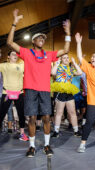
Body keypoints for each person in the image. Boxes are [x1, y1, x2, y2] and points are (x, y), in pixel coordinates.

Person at [7, 9, 71, 157]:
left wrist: (68, 33)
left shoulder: (49, 55)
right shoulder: (27, 53)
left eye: (43, 37)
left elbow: (66, 50)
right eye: (39, 37)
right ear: (33, 41)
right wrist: (14, 23)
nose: (42, 38)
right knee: (32, 119)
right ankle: (32, 147)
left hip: (44, 90)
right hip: (30, 90)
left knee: (47, 118)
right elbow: (9, 42)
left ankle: (47, 145)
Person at [51, 55, 82, 138]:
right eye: (64, 58)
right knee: (59, 113)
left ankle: (76, 130)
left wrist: (75, 63)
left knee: (72, 112)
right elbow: (53, 73)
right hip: (60, 92)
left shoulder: (70, 69)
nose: (66, 59)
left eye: (67, 58)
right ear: (61, 59)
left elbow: (80, 72)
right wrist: (57, 64)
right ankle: (56, 131)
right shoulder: (59, 67)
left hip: (69, 92)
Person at [0, 51, 28, 141]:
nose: (15, 55)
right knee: (1, 113)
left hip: (19, 93)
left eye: (16, 54)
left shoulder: (21, 65)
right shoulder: (3, 66)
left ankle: (22, 134)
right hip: (7, 93)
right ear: (8, 57)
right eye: (13, 54)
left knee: (21, 114)